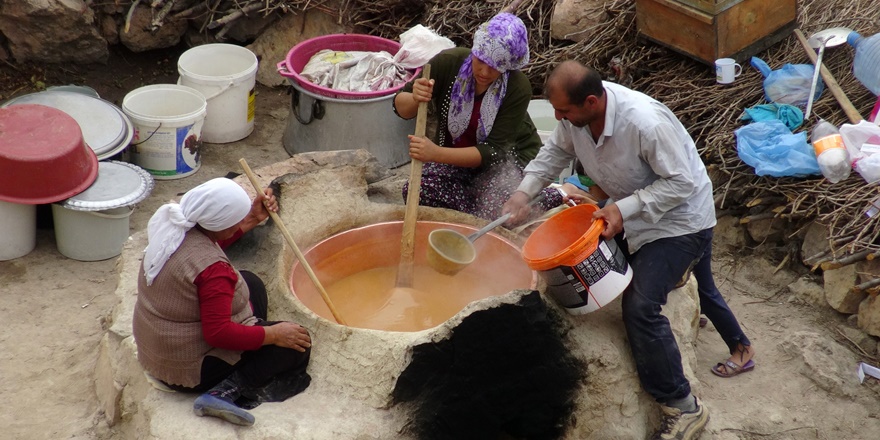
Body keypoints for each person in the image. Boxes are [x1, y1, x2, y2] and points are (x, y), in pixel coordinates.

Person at [502, 61, 755, 440]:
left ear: (591, 101)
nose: (558, 118)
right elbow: (553, 153)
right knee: (577, 256)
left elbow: (682, 184)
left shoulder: (644, 123)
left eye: (564, 112)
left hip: (681, 223)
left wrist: (623, 209)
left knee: (638, 305)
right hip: (630, 213)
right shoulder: (576, 121)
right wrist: (523, 193)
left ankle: (683, 406)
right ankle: (669, 280)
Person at [132, 178, 312, 427]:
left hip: (159, 349)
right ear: (220, 224)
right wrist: (272, 334)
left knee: (251, 283)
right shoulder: (214, 271)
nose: (242, 220)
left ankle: (250, 348)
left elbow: (209, 243)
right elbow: (218, 334)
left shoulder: (174, 230)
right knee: (295, 344)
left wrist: (252, 218)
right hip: (190, 367)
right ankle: (224, 392)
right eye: (238, 218)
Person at [392, 12, 587, 220]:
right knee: (418, 191)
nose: (485, 72)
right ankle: (477, 211)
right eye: (481, 61)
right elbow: (399, 107)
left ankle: (554, 194)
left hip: (506, 163)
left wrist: (435, 154)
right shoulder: (447, 63)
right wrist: (415, 97)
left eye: (496, 67)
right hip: (456, 159)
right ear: (474, 51)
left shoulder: (517, 88)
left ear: (509, 66)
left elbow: (492, 152)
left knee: (502, 213)